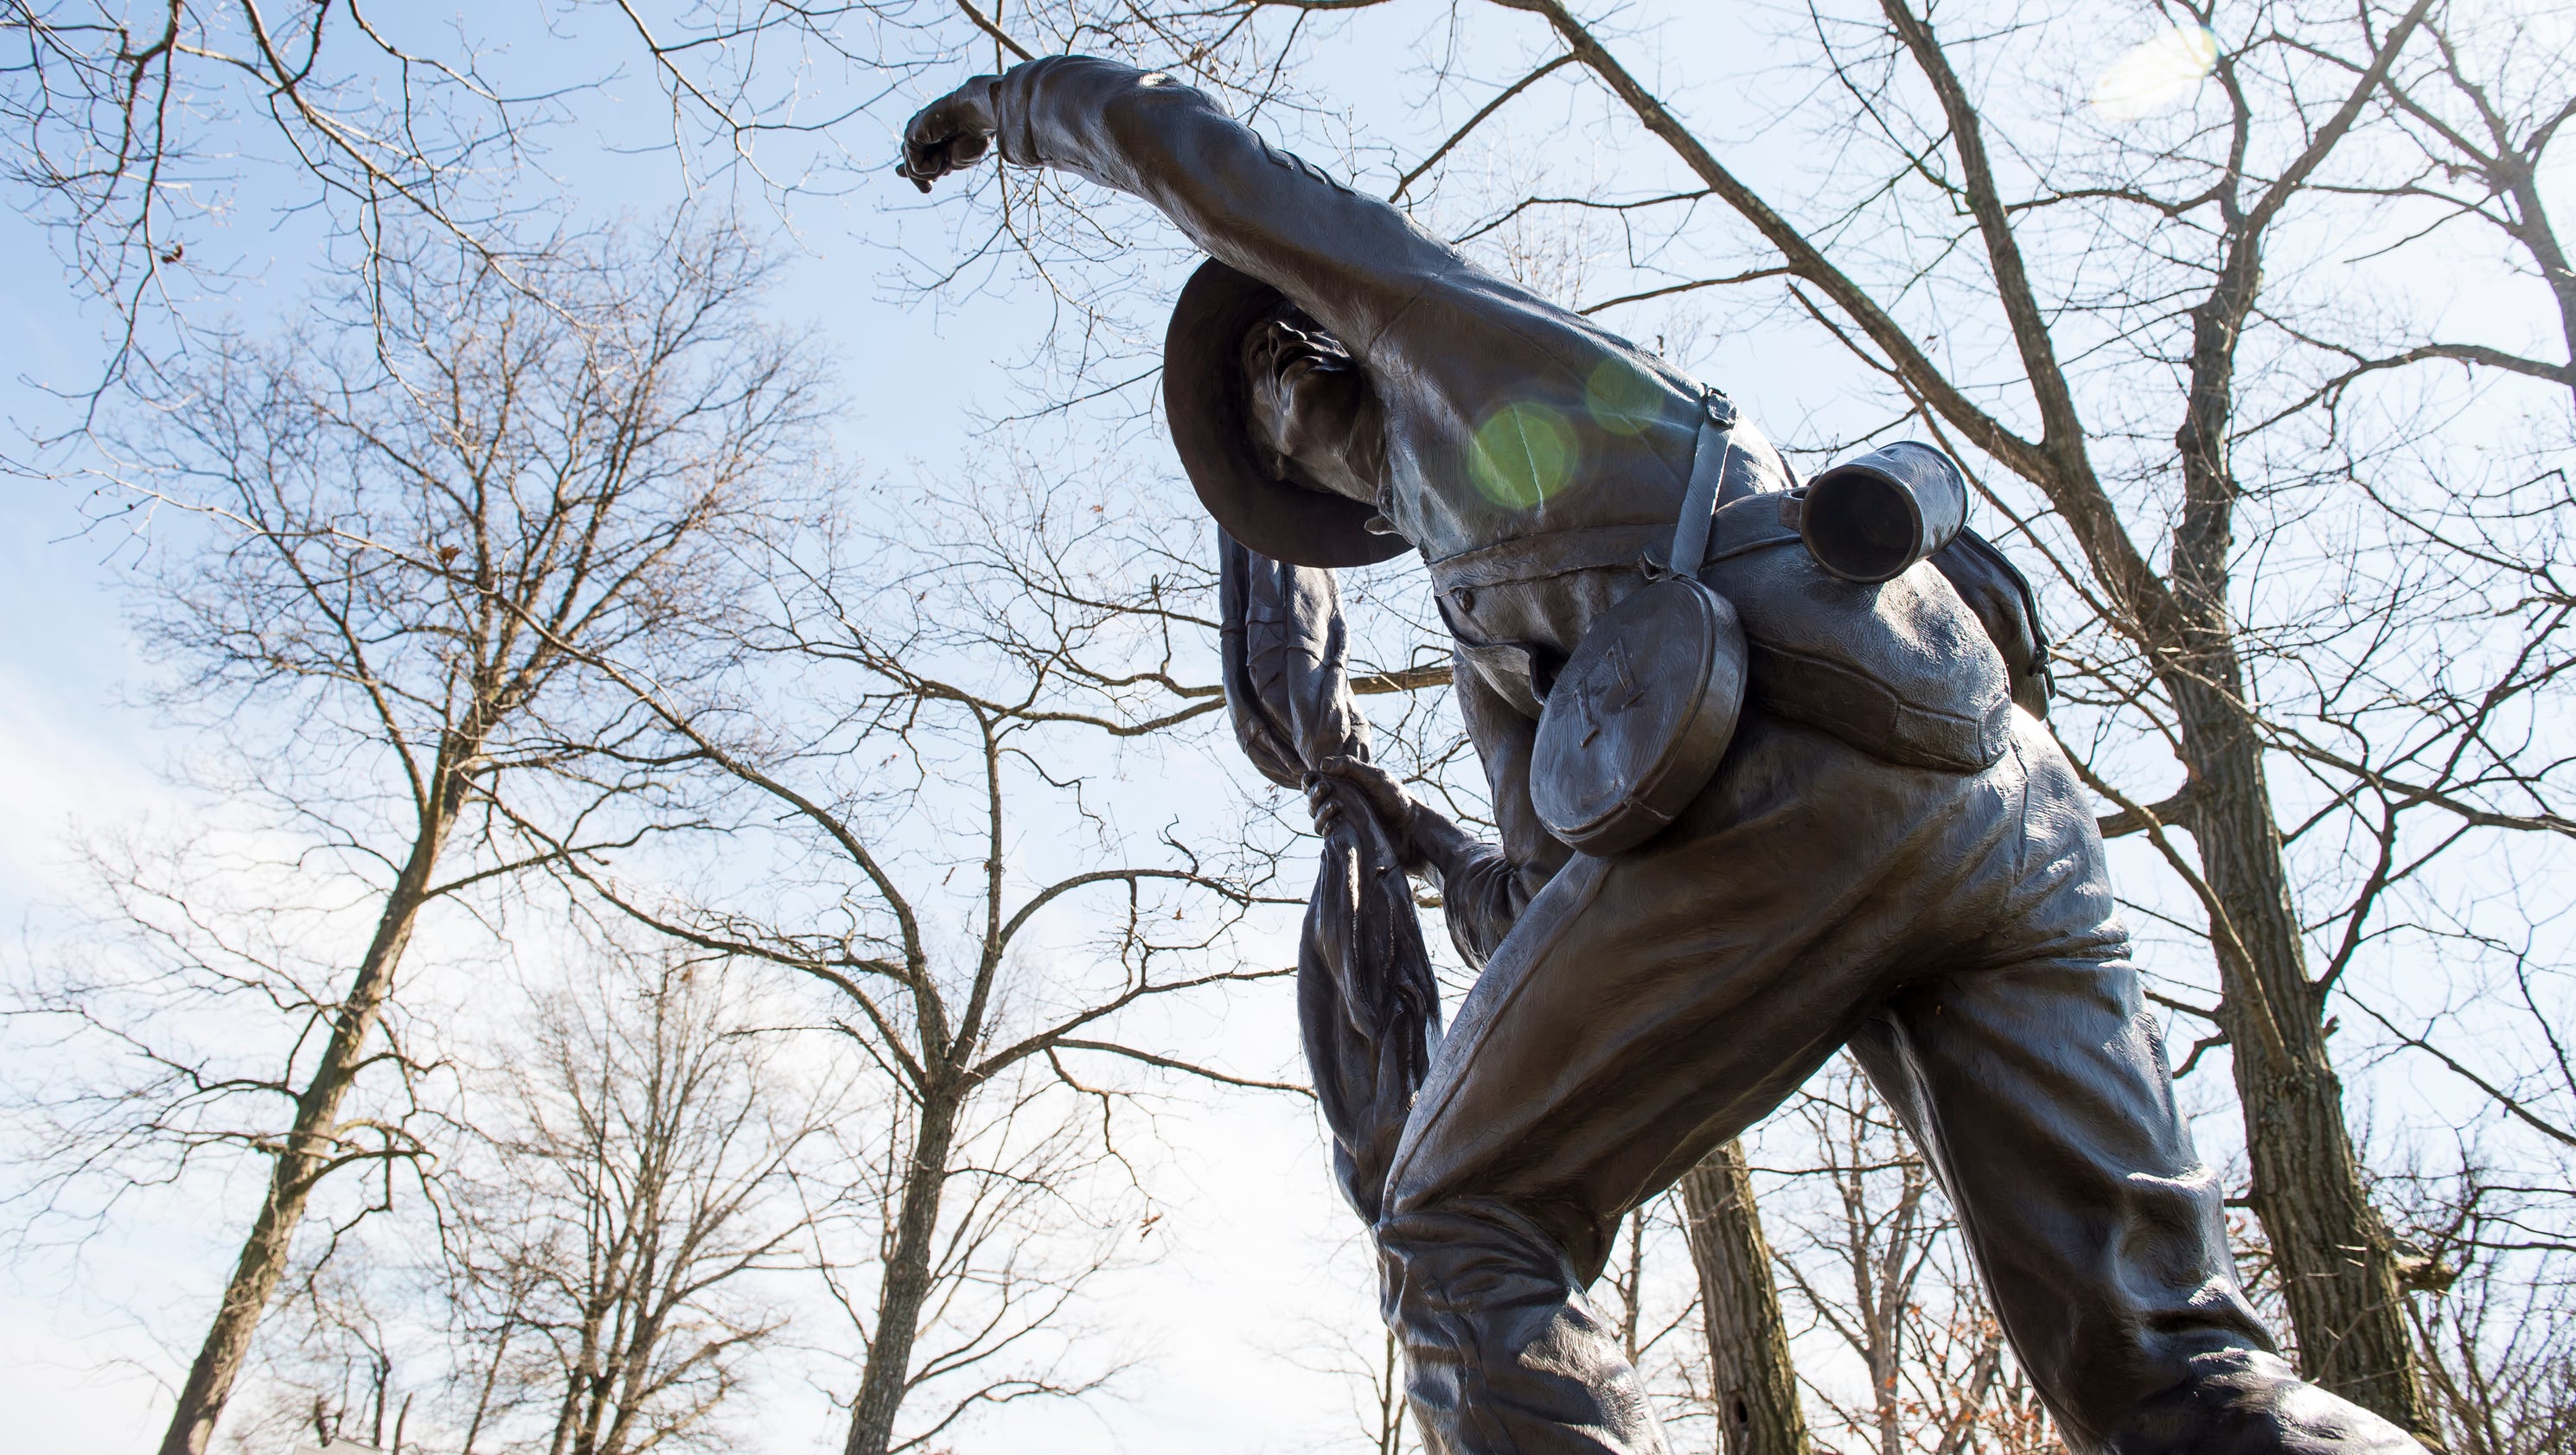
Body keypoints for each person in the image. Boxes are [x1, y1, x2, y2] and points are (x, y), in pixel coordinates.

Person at [900, 56, 2427, 1455]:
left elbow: (1189, 152)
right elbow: (1547, 903)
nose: (1279, 385)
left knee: (1460, 1216)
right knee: (2165, 1379)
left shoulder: (1456, 343)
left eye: (1280, 346)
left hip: (1883, 789)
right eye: (1256, 398)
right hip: (1972, 798)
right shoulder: (1486, 632)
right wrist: (1412, 837)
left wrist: (1013, 109)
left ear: (1330, 323)